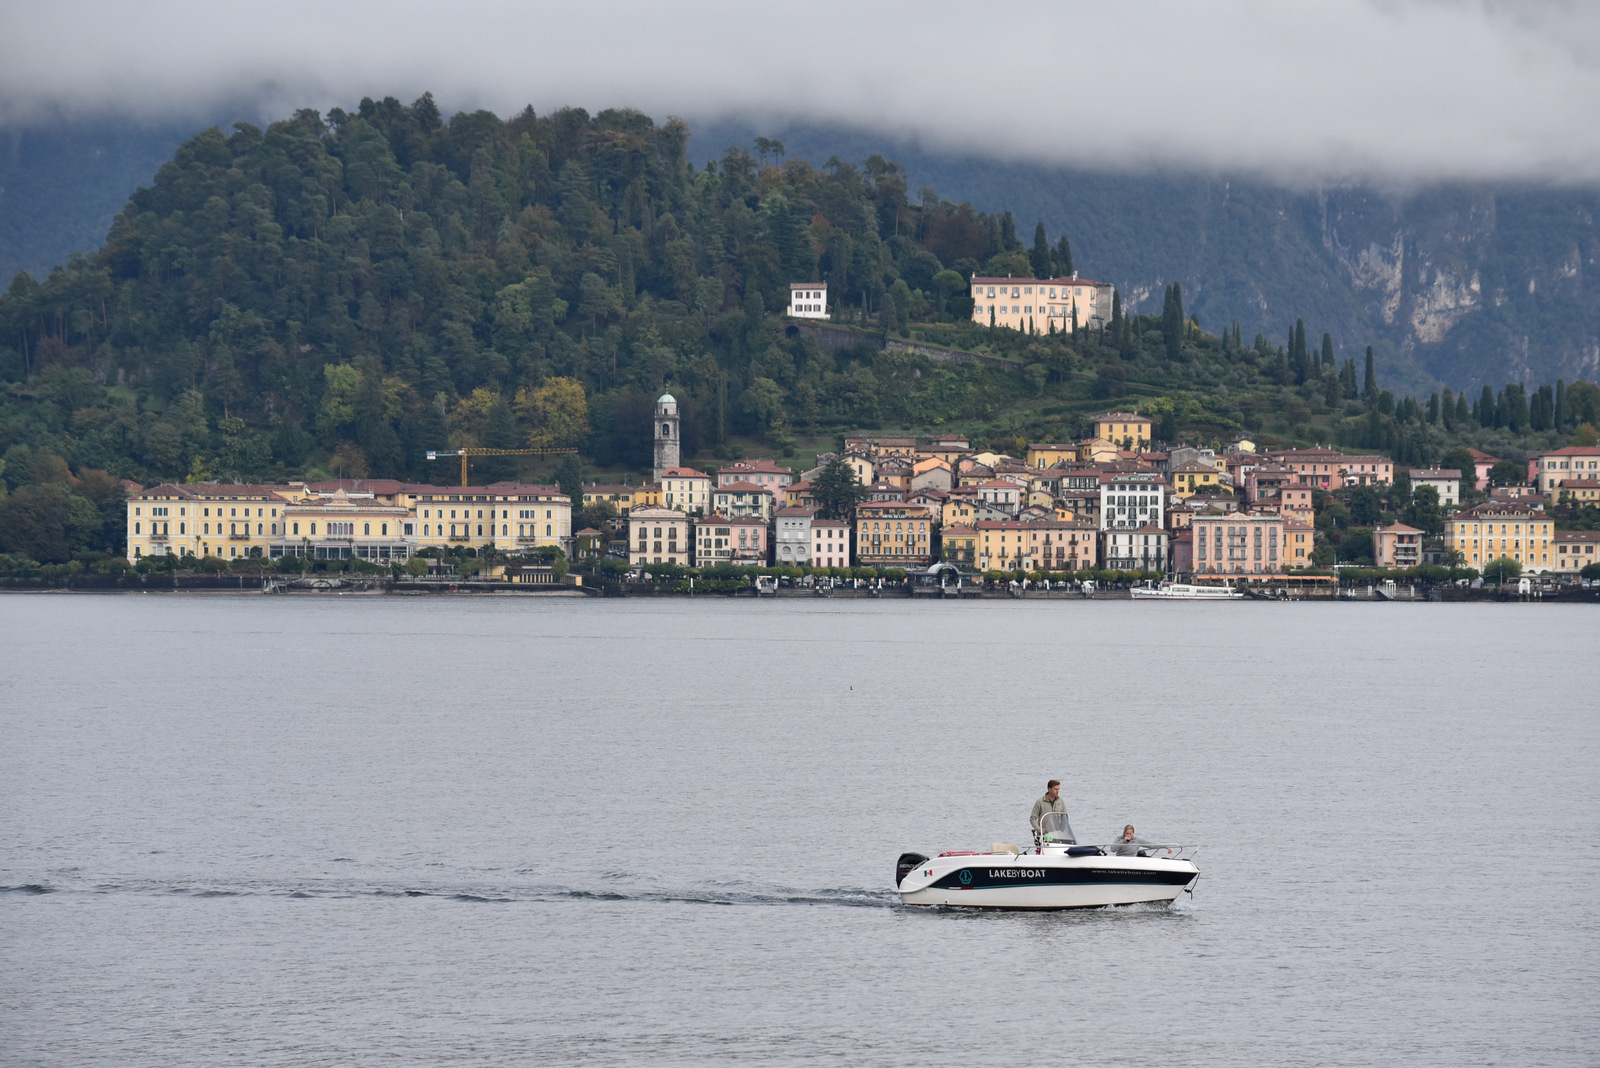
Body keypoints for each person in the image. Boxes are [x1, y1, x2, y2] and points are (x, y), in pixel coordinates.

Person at [1029, 780, 1066, 847]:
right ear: (1049, 789)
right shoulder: (1040, 802)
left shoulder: (1061, 801)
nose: (1057, 791)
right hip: (1044, 837)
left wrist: (1061, 831)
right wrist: (1038, 829)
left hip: (1058, 836)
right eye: (1055, 789)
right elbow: (1033, 818)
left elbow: (1065, 818)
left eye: (1058, 789)